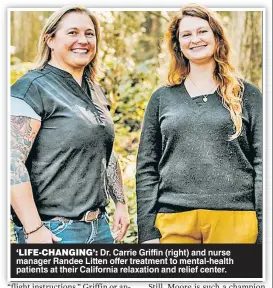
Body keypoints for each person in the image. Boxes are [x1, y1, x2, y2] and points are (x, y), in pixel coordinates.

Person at [136, 4, 262, 244]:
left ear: (216, 37)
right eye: (186, 34)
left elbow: (264, 165)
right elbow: (146, 167)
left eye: (202, 31)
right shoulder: (162, 98)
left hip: (236, 220)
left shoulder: (249, 95)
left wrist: (265, 232)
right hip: (173, 220)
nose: (195, 39)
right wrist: (147, 232)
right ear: (178, 44)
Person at [10, 5, 130, 244]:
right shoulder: (32, 87)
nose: (83, 40)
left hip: (100, 229)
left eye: (89, 33)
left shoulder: (94, 90)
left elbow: (104, 151)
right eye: (72, 32)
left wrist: (121, 203)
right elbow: (10, 162)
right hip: (54, 231)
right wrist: (34, 229)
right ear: (50, 40)